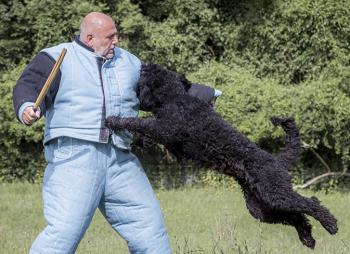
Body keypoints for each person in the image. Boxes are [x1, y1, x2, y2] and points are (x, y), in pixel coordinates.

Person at [13, 12, 221, 254]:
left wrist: (207, 95)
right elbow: (28, 86)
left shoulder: (129, 63)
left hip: (121, 158)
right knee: (64, 232)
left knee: (149, 226)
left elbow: (165, 90)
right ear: (90, 38)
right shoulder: (58, 56)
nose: (116, 41)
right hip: (74, 156)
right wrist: (27, 107)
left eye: (117, 35)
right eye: (110, 37)